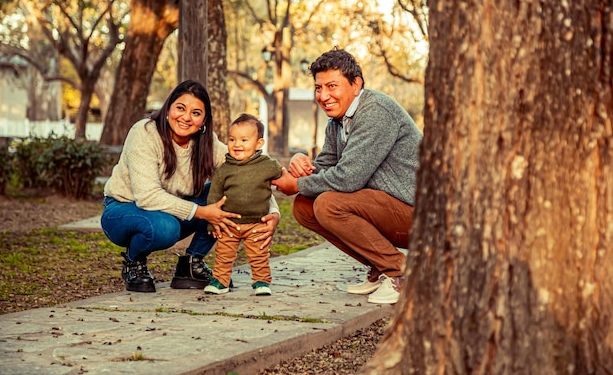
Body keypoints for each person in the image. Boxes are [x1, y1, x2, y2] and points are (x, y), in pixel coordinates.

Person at [100, 80, 280, 293]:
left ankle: (190, 264)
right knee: (165, 228)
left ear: (204, 120)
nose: (186, 117)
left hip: (171, 211)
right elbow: (147, 196)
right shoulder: (145, 132)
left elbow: (248, 173)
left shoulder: (205, 141)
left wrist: (273, 211)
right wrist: (203, 212)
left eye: (196, 113)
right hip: (124, 210)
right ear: (168, 109)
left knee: (223, 196)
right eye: (180, 108)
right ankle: (133, 261)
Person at [272, 48, 421, 305]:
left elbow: (348, 179)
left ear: (356, 84)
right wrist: (300, 164)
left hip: (420, 215)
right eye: (319, 88)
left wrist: (296, 184)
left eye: (332, 86)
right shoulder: (338, 122)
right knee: (304, 207)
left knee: (329, 204)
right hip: (386, 207)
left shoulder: (376, 112)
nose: (324, 96)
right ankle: (380, 266)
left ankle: (401, 273)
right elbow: (327, 166)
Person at [203, 114, 283, 296]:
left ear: (259, 143)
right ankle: (220, 282)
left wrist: (298, 177)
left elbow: (283, 177)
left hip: (258, 222)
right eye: (232, 139)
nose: (236, 144)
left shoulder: (267, 165)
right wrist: (211, 221)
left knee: (259, 254)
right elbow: (214, 195)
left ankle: (261, 281)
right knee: (224, 254)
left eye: (244, 140)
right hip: (229, 222)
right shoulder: (225, 169)